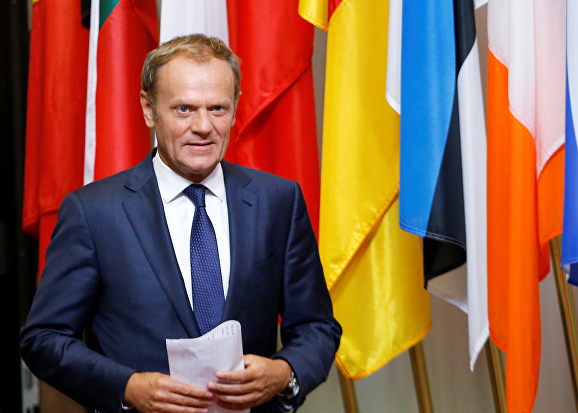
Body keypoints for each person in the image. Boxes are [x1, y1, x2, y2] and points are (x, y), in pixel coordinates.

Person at [20, 34, 341, 413]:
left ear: (235, 108)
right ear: (149, 109)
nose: (203, 126)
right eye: (184, 109)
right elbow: (44, 338)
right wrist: (127, 387)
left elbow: (317, 327)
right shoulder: (94, 212)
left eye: (217, 108)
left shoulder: (278, 202)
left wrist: (285, 373)